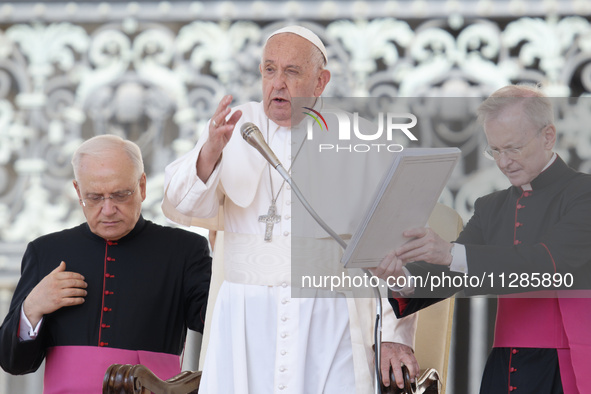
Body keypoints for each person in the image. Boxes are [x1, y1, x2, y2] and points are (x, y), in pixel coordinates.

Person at [162, 26, 419, 393]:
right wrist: (210, 153)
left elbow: (399, 242)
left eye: (291, 72)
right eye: (269, 70)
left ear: (321, 81)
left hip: (329, 321)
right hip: (244, 321)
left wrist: (395, 335)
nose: (277, 83)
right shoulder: (235, 127)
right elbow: (180, 200)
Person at [380, 85, 591, 393]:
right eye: (495, 151)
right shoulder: (491, 206)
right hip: (504, 367)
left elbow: (549, 263)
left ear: (548, 136)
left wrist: (451, 253)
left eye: (513, 148)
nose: (504, 162)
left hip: (566, 364)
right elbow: (452, 276)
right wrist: (401, 277)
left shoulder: (582, 194)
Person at [0, 135, 212, 393]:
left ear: (142, 186)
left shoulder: (184, 251)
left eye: (120, 195)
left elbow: (217, 323)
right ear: (78, 192)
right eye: (95, 197)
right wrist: (32, 307)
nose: (108, 209)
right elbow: (13, 363)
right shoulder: (46, 251)